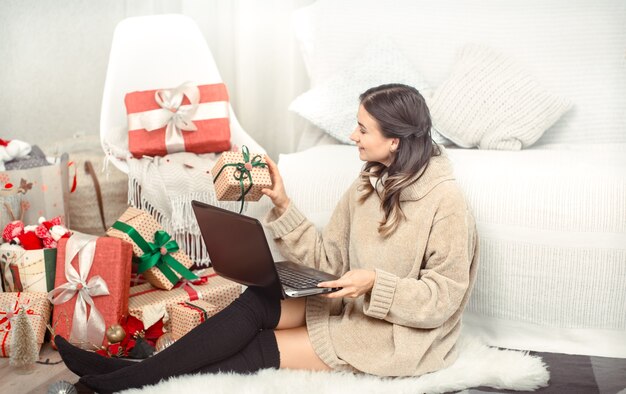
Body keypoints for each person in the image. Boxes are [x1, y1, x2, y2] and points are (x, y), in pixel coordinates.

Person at [55, 83, 478, 392]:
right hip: (350, 305)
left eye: (362, 129)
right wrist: (281, 201)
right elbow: (328, 261)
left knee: (259, 347)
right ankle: (123, 375)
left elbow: (442, 300)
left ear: (395, 140)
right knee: (257, 302)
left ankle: (120, 379)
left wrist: (374, 284)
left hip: (399, 338)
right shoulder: (368, 184)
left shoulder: (446, 203)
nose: (352, 135)